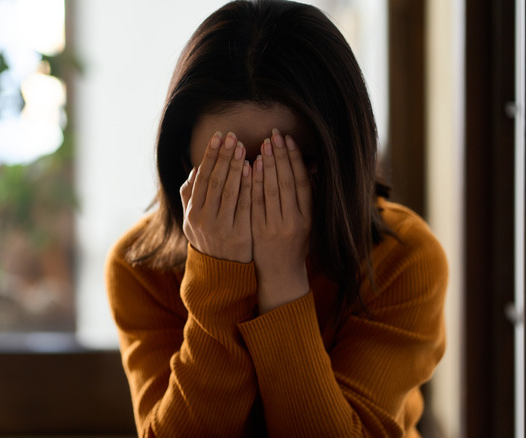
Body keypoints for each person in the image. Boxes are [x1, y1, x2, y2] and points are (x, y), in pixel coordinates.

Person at [105, 1, 447, 436]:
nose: (252, 193)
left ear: (335, 160)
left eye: (281, 167)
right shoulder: (140, 267)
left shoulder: (403, 259)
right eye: (222, 169)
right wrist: (218, 274)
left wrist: (283, 278)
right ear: (183, 161)